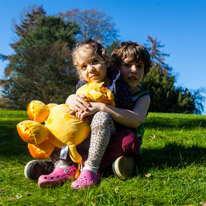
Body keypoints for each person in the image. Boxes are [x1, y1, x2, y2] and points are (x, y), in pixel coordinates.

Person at [24, 39, 134, 189]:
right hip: (83, 138)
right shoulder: (82, 87)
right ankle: (62, 166)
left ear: (106, 61)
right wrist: (70, 99)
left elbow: (128, 117)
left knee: (102, 116)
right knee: (58, 121)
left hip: (107, 136)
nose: (91, 69)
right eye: (84, 66)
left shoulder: (119, 86)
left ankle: (91, 169)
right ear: (80, 72)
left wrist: (101, 107)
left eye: (94, 61)